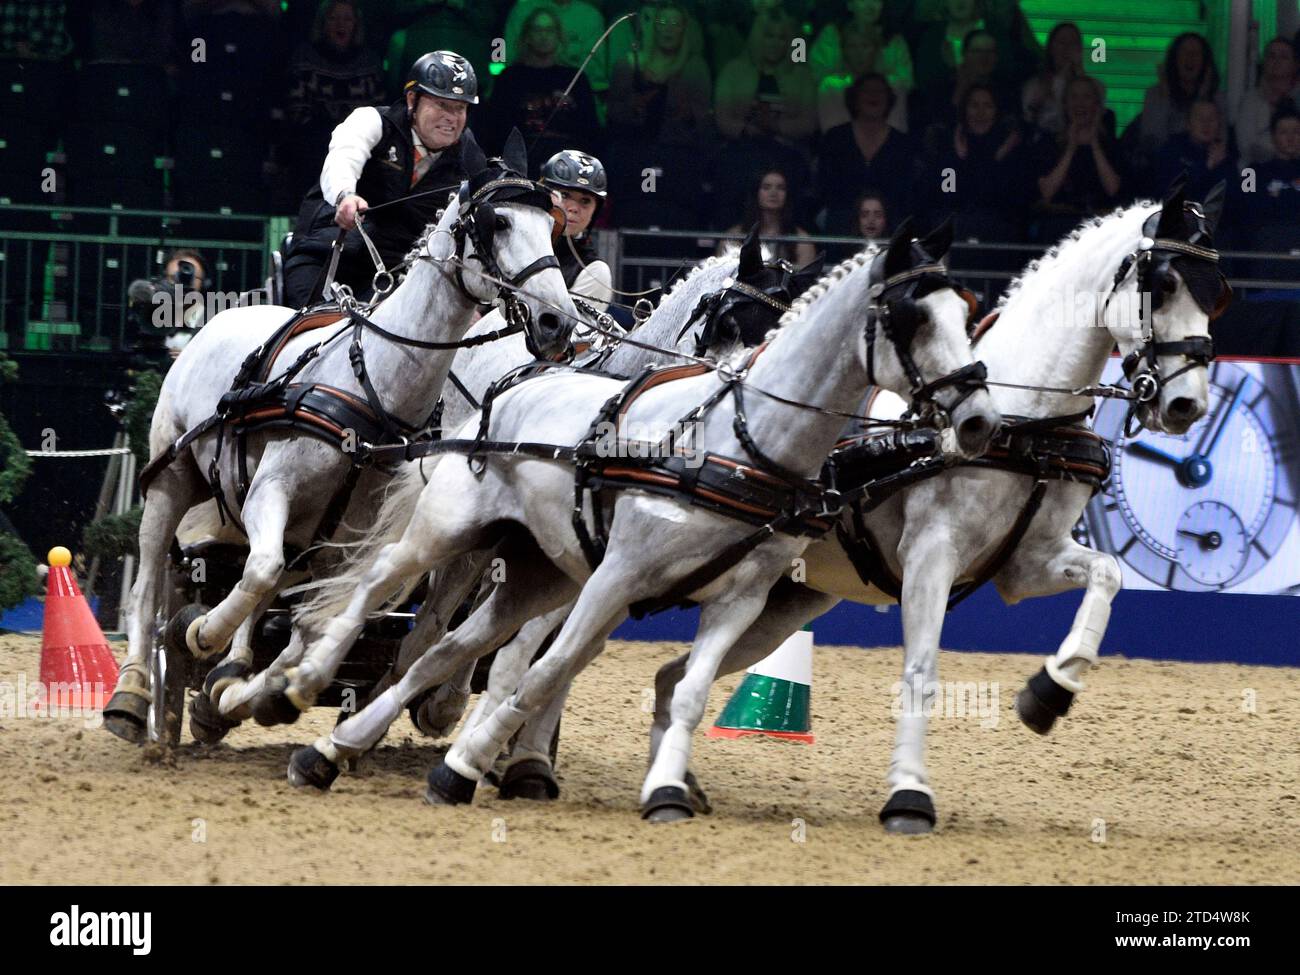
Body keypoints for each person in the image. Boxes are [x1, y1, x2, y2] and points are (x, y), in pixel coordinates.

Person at [281, 50, 478, 308]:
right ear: (412, 100)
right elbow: (343, 158)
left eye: (459, 108)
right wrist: (345, 196)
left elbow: (491, 199)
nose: (451, 117)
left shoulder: (469, 154)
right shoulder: (372, 120)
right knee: (315, 328)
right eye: (441, 104)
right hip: (327, 254)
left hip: (395, 275)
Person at [281, 1, 384, 202]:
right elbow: (297, 113)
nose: (341, 24)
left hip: (362, 148)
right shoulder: (304, 58)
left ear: (356, 24)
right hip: (315, 146)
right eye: (334, 18)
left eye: (347, 19)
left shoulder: (370, 63)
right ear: (323, 23)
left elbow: (380, 114)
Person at [486, 5, 602, 167]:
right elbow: (495, 130)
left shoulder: (576, 78)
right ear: (527, 35)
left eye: (550, 30)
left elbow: (590, 132)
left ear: (559, 35)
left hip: (568, 166)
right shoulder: (509, 79)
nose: (544, 36)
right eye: (537, 30)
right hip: (521, 164)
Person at [920, 82, 1024, 241]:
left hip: (997, 230)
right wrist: (957, 159)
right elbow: (947, 195)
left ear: (996, 111)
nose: (980, 113)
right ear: (964, 110)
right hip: (959, 228)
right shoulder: (949, 147)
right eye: (974, 105)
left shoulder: (1009, 148)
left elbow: (1003, 199)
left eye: (987, 105)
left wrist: (997, 158)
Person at [818, 72, 917, 235]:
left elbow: (906, 195)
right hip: (842, 224)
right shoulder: (835, 138)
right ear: (855, 98)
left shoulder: (902, 144)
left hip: (890, 226)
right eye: (867, 91)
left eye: (879, 92)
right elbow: (826, 188)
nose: (874, 96)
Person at [1030, 75, 1124, 242]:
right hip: (1060, 224)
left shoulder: (1111, 144)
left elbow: (1113, 189)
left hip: (1099, 225)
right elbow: (1047, 191)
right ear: (1065, 104)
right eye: (1074, 97)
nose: (1080, 103)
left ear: (1097, 105)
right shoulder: (1048, 143)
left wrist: (1095, 144)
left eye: (1086, 97)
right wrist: (1070, 147)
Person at [812, 0, 912, 132]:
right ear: (850, 4)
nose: (870, 5)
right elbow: (817, 78)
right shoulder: (832, 35)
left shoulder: (894, 38)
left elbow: (906, 84)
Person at [540, 149, 614, 312]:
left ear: (595, 211)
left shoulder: (594, 272)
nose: (573, 208)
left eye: (585, 201)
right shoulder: (508, 234)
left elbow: (559, 334)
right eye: (565, 195)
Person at [1136, 32, 1226, 163]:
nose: (1190, 57)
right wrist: (1165, 96)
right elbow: (1153, 142)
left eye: (1196, 53)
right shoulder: (1155, 94)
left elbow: (1220, 142)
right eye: (1184, 52)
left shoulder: (1218, 98)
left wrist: (1203, 98)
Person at [504, 0, 609, 94]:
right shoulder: (522, 11)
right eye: (537, 29)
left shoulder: (591, 17)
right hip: (525, 90)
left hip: (577, 93)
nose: (544, 36)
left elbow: (595, 72)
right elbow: (511, 58)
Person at [1022, 21, 1106, 137]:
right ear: (1051, 47)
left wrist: (1079, 70)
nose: (1067, 48)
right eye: (1062, 42)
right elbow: (1030, 118)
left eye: (1073, 43)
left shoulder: (1097, 86)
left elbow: (1098, 115)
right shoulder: (1034, 86)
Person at [721, 167, 817, 266]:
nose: (773, 193)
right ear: (756, 193)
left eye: (781, 188)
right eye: (766, 187)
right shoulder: (735, 236)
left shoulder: (801, 239)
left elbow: (805, 278)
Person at [1153, 99, 1235, 202]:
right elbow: (1172, 191)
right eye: (1200, 118)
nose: (1206, 123)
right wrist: (1206, 167)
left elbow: (1233, 200)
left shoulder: (1224, 154)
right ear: (1188, 123)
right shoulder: (1172, 148)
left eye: (1212, 118)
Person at [1235, 37, 1300, 166]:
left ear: (1295, 64)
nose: (1276, 61)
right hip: (1257, 174)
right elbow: (1246, 147)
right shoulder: (1251, 100)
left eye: (1284, 56)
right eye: (1271, 56)